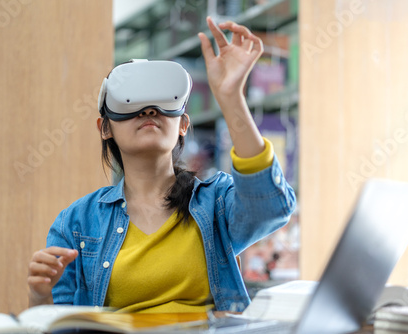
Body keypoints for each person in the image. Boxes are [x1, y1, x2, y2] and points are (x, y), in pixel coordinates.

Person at [27, 17, 296, 313]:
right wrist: (40, 297)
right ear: (105, 128)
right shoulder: (76, 224)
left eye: (160, 104)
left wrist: (231, 98)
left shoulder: (215, 201)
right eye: (131, 105)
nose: (149, 110)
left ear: (182, 124)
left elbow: (270, 208)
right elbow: (59, 323)